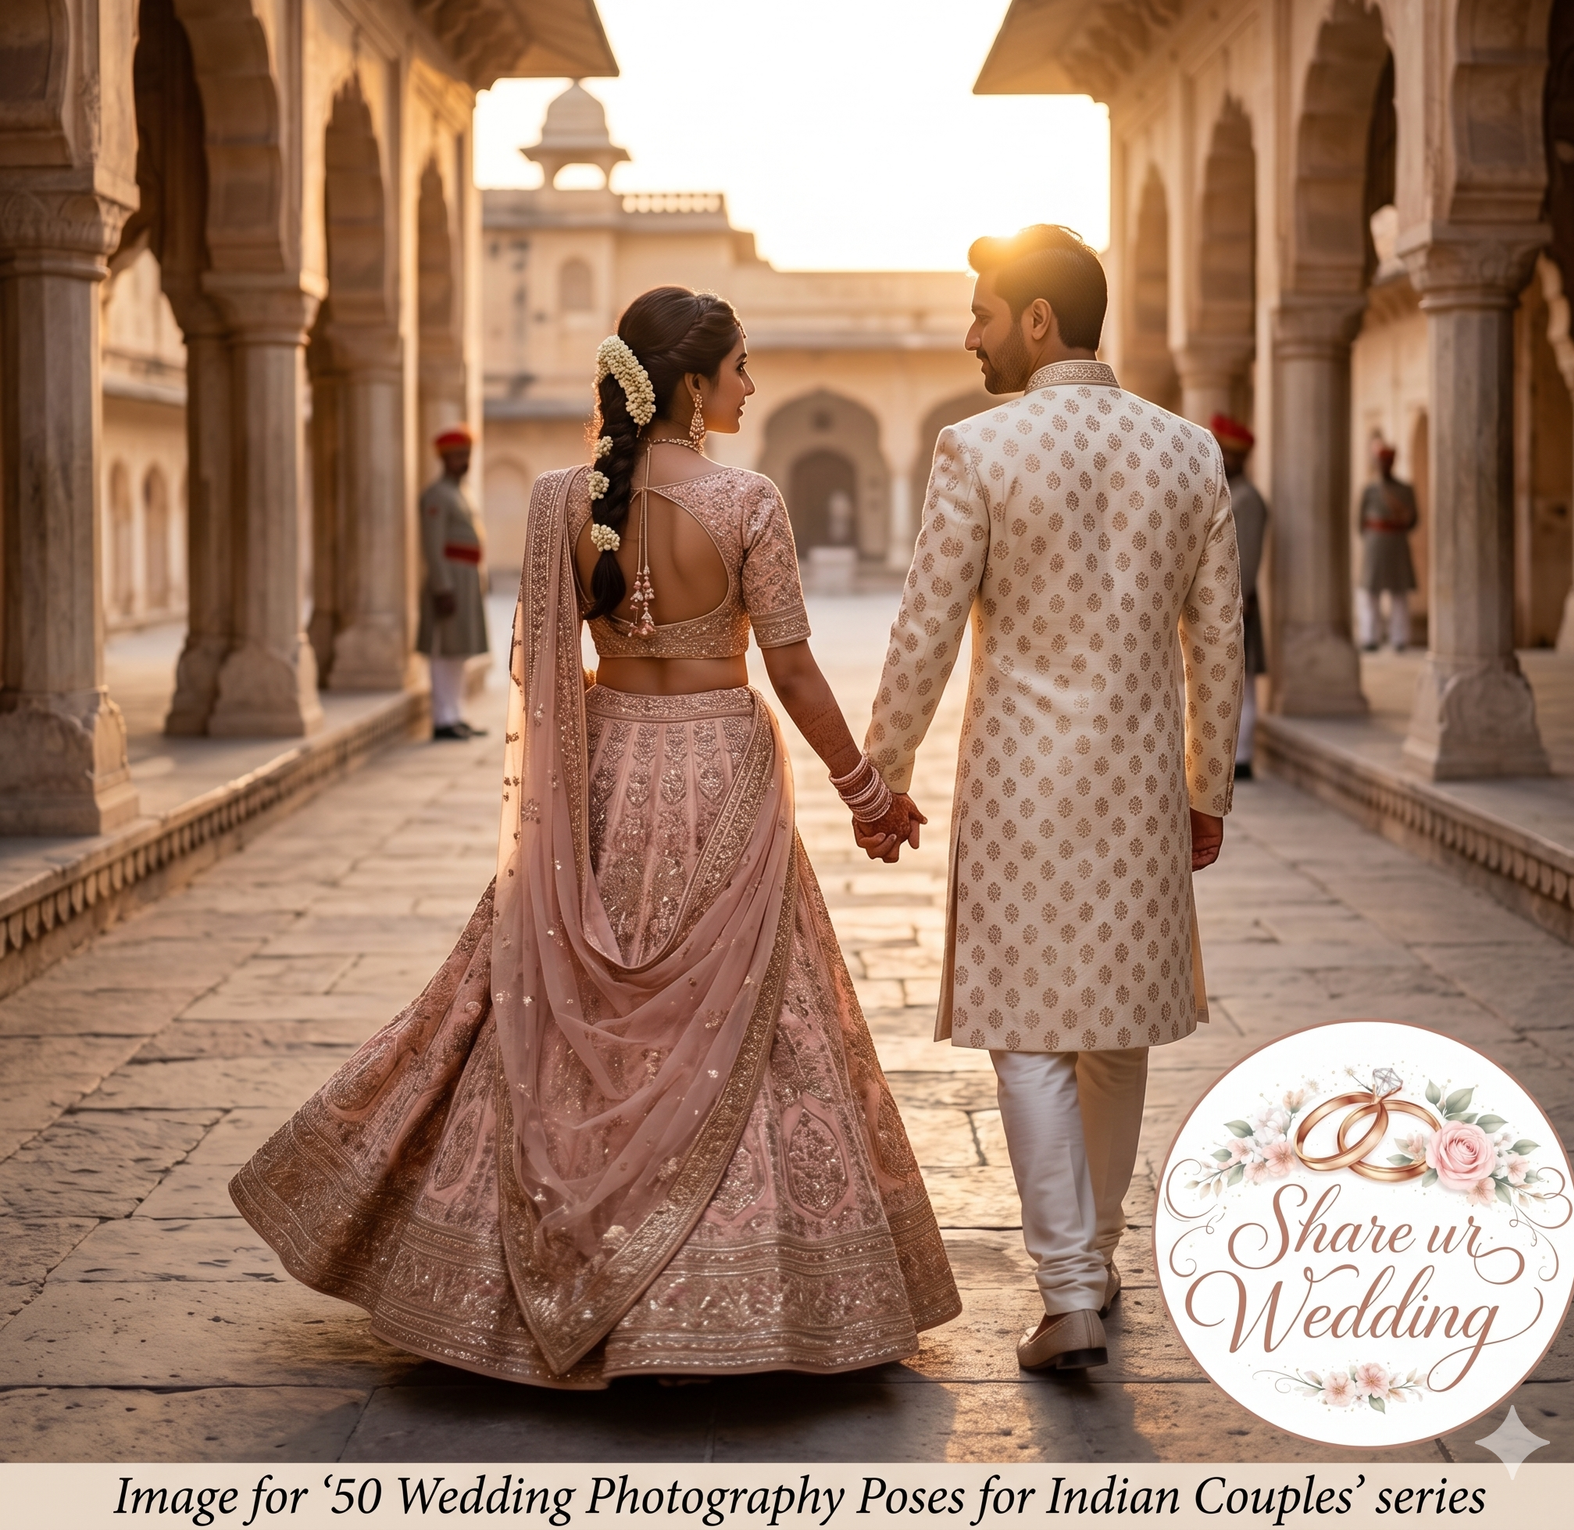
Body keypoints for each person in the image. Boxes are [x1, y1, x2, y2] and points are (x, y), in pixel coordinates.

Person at [232, 287, 959, 1388]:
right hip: (722, 771)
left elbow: (536, 671)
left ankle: (506, 1277)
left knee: (569, 1016)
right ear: (691, 386)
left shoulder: (558, 500)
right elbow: (795, 668)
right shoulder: (748, 499)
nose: (752, 387)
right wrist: (864, 788)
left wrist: (611, 710)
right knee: (753, 1023)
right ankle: (729, 1299)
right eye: (741, 368)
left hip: (605, 772)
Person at [862, 226, 1243, 1374]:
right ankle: (1099, 1256)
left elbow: (924, 628)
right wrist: (1204, 782)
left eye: (983, 311)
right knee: (1114, 1033)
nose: (968, 334)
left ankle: (1069, 1288)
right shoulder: (1187, 453)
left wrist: (885, 774)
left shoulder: (978, 448)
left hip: (1022, 789)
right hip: (1135, 790)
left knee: (1030, 1038)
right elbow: (1219, 639)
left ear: (1037, 321)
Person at [418, 427, 490, 740]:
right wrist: (442, 587)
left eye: (467, 455)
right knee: (444, 650)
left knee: (460, 649)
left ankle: (455, 713)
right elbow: (433, 546)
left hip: (466, 577)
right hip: (450, 578)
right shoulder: (436, 495)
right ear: (445, 460)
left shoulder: (462, 492)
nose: (464, 462)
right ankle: (442, 718)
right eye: (458, 456)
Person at [1212, 415, 1267, 780]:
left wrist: (1233, 606)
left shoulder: (1248, 500)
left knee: (1241, 685)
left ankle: (1243, 758)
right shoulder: (1232, 495)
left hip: (1236, 603)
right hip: (1222, 601)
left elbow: (1244, 559)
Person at [1357, 439, 1418, 652]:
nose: (1384, 466)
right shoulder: (1370, 489)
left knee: (1399, 594)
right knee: (1369, 593)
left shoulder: (1405, 489)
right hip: (1375, 545)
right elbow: (1360, 521)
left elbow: (1413, 520)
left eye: (1387, 461)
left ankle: (1399, 638)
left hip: (1397, 545)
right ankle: (1369, 637)